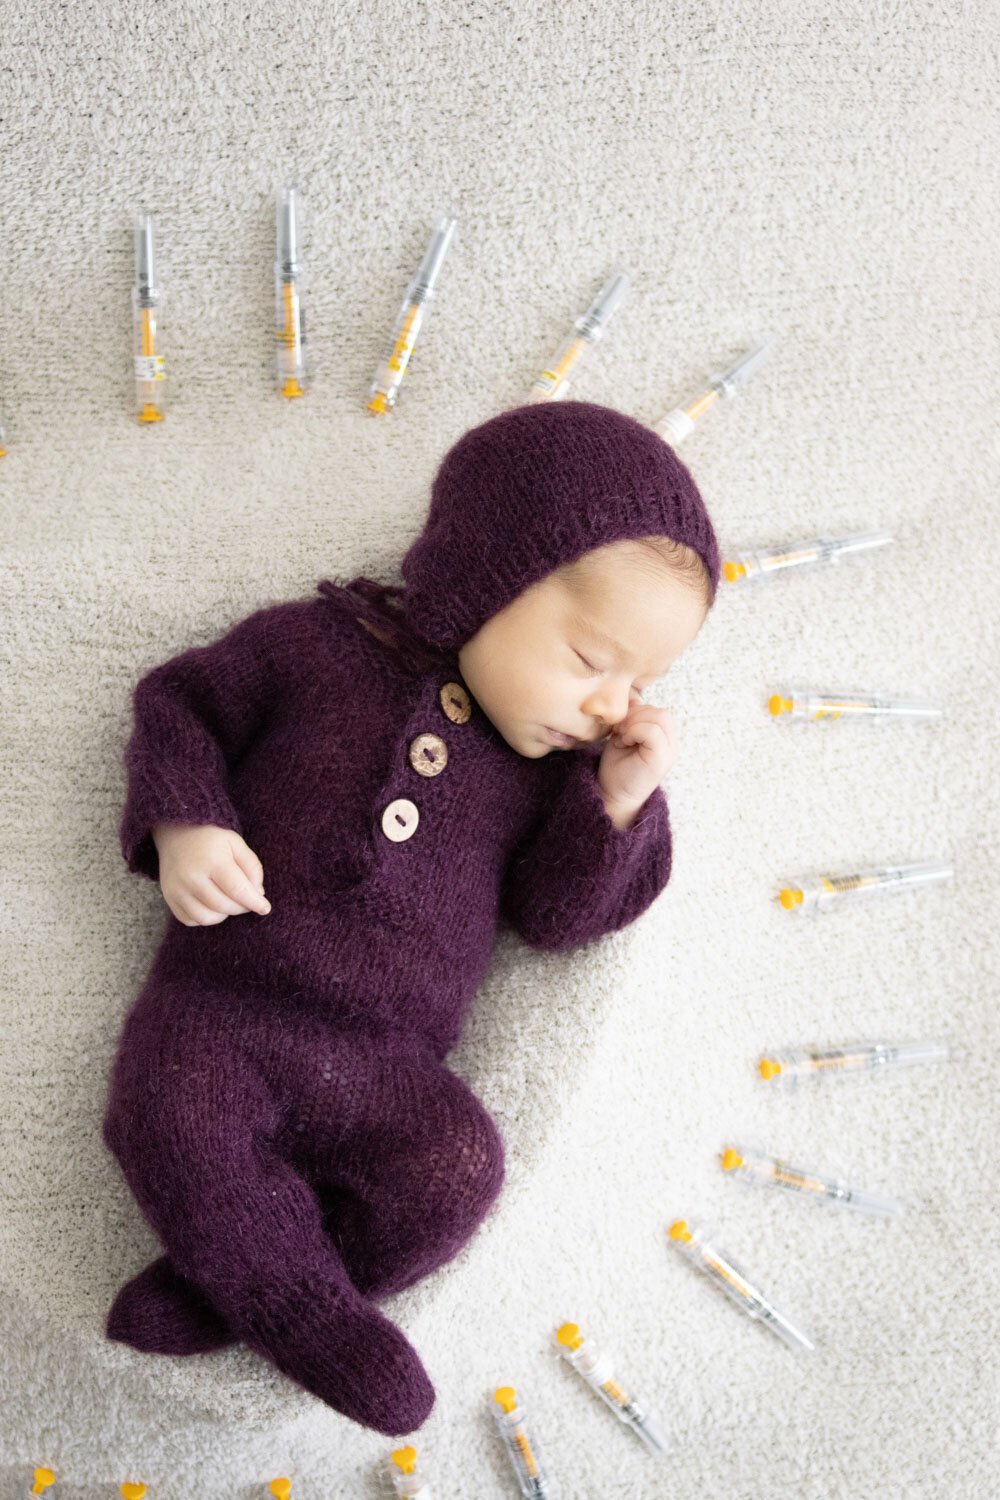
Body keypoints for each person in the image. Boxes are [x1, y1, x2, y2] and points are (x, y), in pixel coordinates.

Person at [101, 399, 721, 1436]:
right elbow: (180, 707)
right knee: (164, 1115)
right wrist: (185, 826)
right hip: (225, 1007)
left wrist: (617, 802)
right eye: (588, 661)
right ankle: (289, 1302)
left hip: (384, 1060)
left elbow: (558, 917)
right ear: (484, 581)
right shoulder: (313, 649)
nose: (613, 702)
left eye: (642, 682)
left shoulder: (551, 776)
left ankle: (266, 1288)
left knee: (457, 1167)